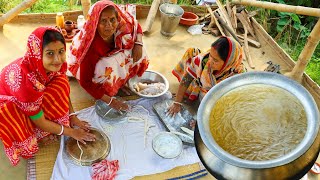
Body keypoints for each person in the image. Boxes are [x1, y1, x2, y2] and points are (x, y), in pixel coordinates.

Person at [0, 27, 96, 166]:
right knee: (12, 112)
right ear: (38, 54)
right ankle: (38, 135)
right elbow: (40, 121)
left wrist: (72, 117)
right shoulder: (27, 84)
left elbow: (64, 91)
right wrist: (71, 132)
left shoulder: (46, 66)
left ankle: (49, 127)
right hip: (10, 103)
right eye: (50, 53)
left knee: (61, 83)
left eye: (61, 51)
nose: (57, 59)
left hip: (32, 97)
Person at [68, 0, 149, 111]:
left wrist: (139, 43)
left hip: (110, 54)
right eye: (103, 21)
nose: (109, 26)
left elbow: (136, 25)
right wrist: (110, 101)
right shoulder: (91, 46)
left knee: (137, 47)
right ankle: (109, 88)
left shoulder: (122, 23)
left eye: (112, 20)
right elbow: (85, 82)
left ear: (118, 18)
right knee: (107, 64)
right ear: (96, 22)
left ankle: (122, 81)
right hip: (81, 62)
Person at [167, 36, 245, 117]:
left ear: (228, 63)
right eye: (211, 55)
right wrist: (177, 102)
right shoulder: (203, 60)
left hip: (219, 103)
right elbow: (186, 80)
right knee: (192, 52)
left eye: (215, 60)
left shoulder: (237, 78)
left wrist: (202, 120)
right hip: (201, 85)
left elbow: (228, 106)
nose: (210, 61)